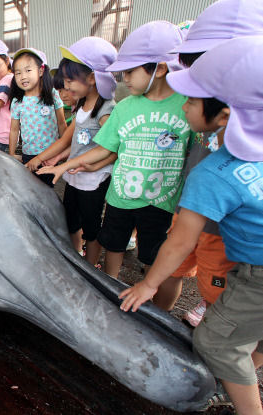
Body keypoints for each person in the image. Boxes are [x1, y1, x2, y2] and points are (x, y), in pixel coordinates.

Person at [119, 35, 263, 415]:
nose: (184, 107)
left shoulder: (213, 172)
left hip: (259, 274)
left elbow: (181, 242)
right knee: (251, 333)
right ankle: (243, 369)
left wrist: (149, 284)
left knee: (215, 342)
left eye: (193, 101)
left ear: (225, 115)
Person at [38, 21, 195, 280]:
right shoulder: (124, 108)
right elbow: (103, 147)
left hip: (160, 202)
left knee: (153, 258)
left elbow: (195, 153)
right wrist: (62, 164)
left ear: (160, 68)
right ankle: (109, 288)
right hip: (120, 197)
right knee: (112, 245)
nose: (124, 79)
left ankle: (152, 303)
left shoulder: (188, 106)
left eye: (130, 72)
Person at [152, 0, 263, 319]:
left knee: (220, 297)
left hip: (224, 228)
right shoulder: (207, 114)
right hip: (190, 209)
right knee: (173, 265)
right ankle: (159, 318)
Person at [33, 37, 118, 266]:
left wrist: (62, 165)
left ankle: (89, 266)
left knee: (91, 227)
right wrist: (40, 159)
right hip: (74, 177)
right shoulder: (81, 105)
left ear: (92, 78)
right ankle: (76, 259)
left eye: (70, 80)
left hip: (93, 180)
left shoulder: (107, 110)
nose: (66, 86)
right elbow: (66, 140)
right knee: (72, 221)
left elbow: (109, 148)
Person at [8, 48, 66, 186]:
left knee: (48, 189)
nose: (23, 76)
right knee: (32, 188)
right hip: (28, 154)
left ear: (40, 71)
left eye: (28, 70)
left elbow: (62, 123)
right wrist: (11, 154)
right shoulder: (17, 101)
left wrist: (64, 150)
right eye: (18, 73)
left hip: (50, 154)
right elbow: (14, 130)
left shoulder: (53, 94)